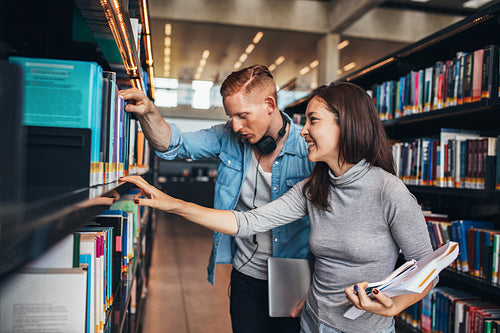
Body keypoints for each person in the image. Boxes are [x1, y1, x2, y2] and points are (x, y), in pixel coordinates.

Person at [121, 81, 435, 333]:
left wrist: (397, 305)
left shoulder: (389, 192)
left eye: (313, 121)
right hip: (310, 319)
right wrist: (172, 204)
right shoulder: (314, 187)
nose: (304, 130)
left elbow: (428, 269)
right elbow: (248, 222)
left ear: (347, 125)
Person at [119, 64, 314, 333]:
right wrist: (150, 113)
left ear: (270, 104)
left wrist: (319, 289)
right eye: (231, 116)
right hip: (245, 275)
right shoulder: (227, 136)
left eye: (243, 115)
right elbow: (172, 145)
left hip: (296, 281)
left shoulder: (309, 151)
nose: (235, 125)